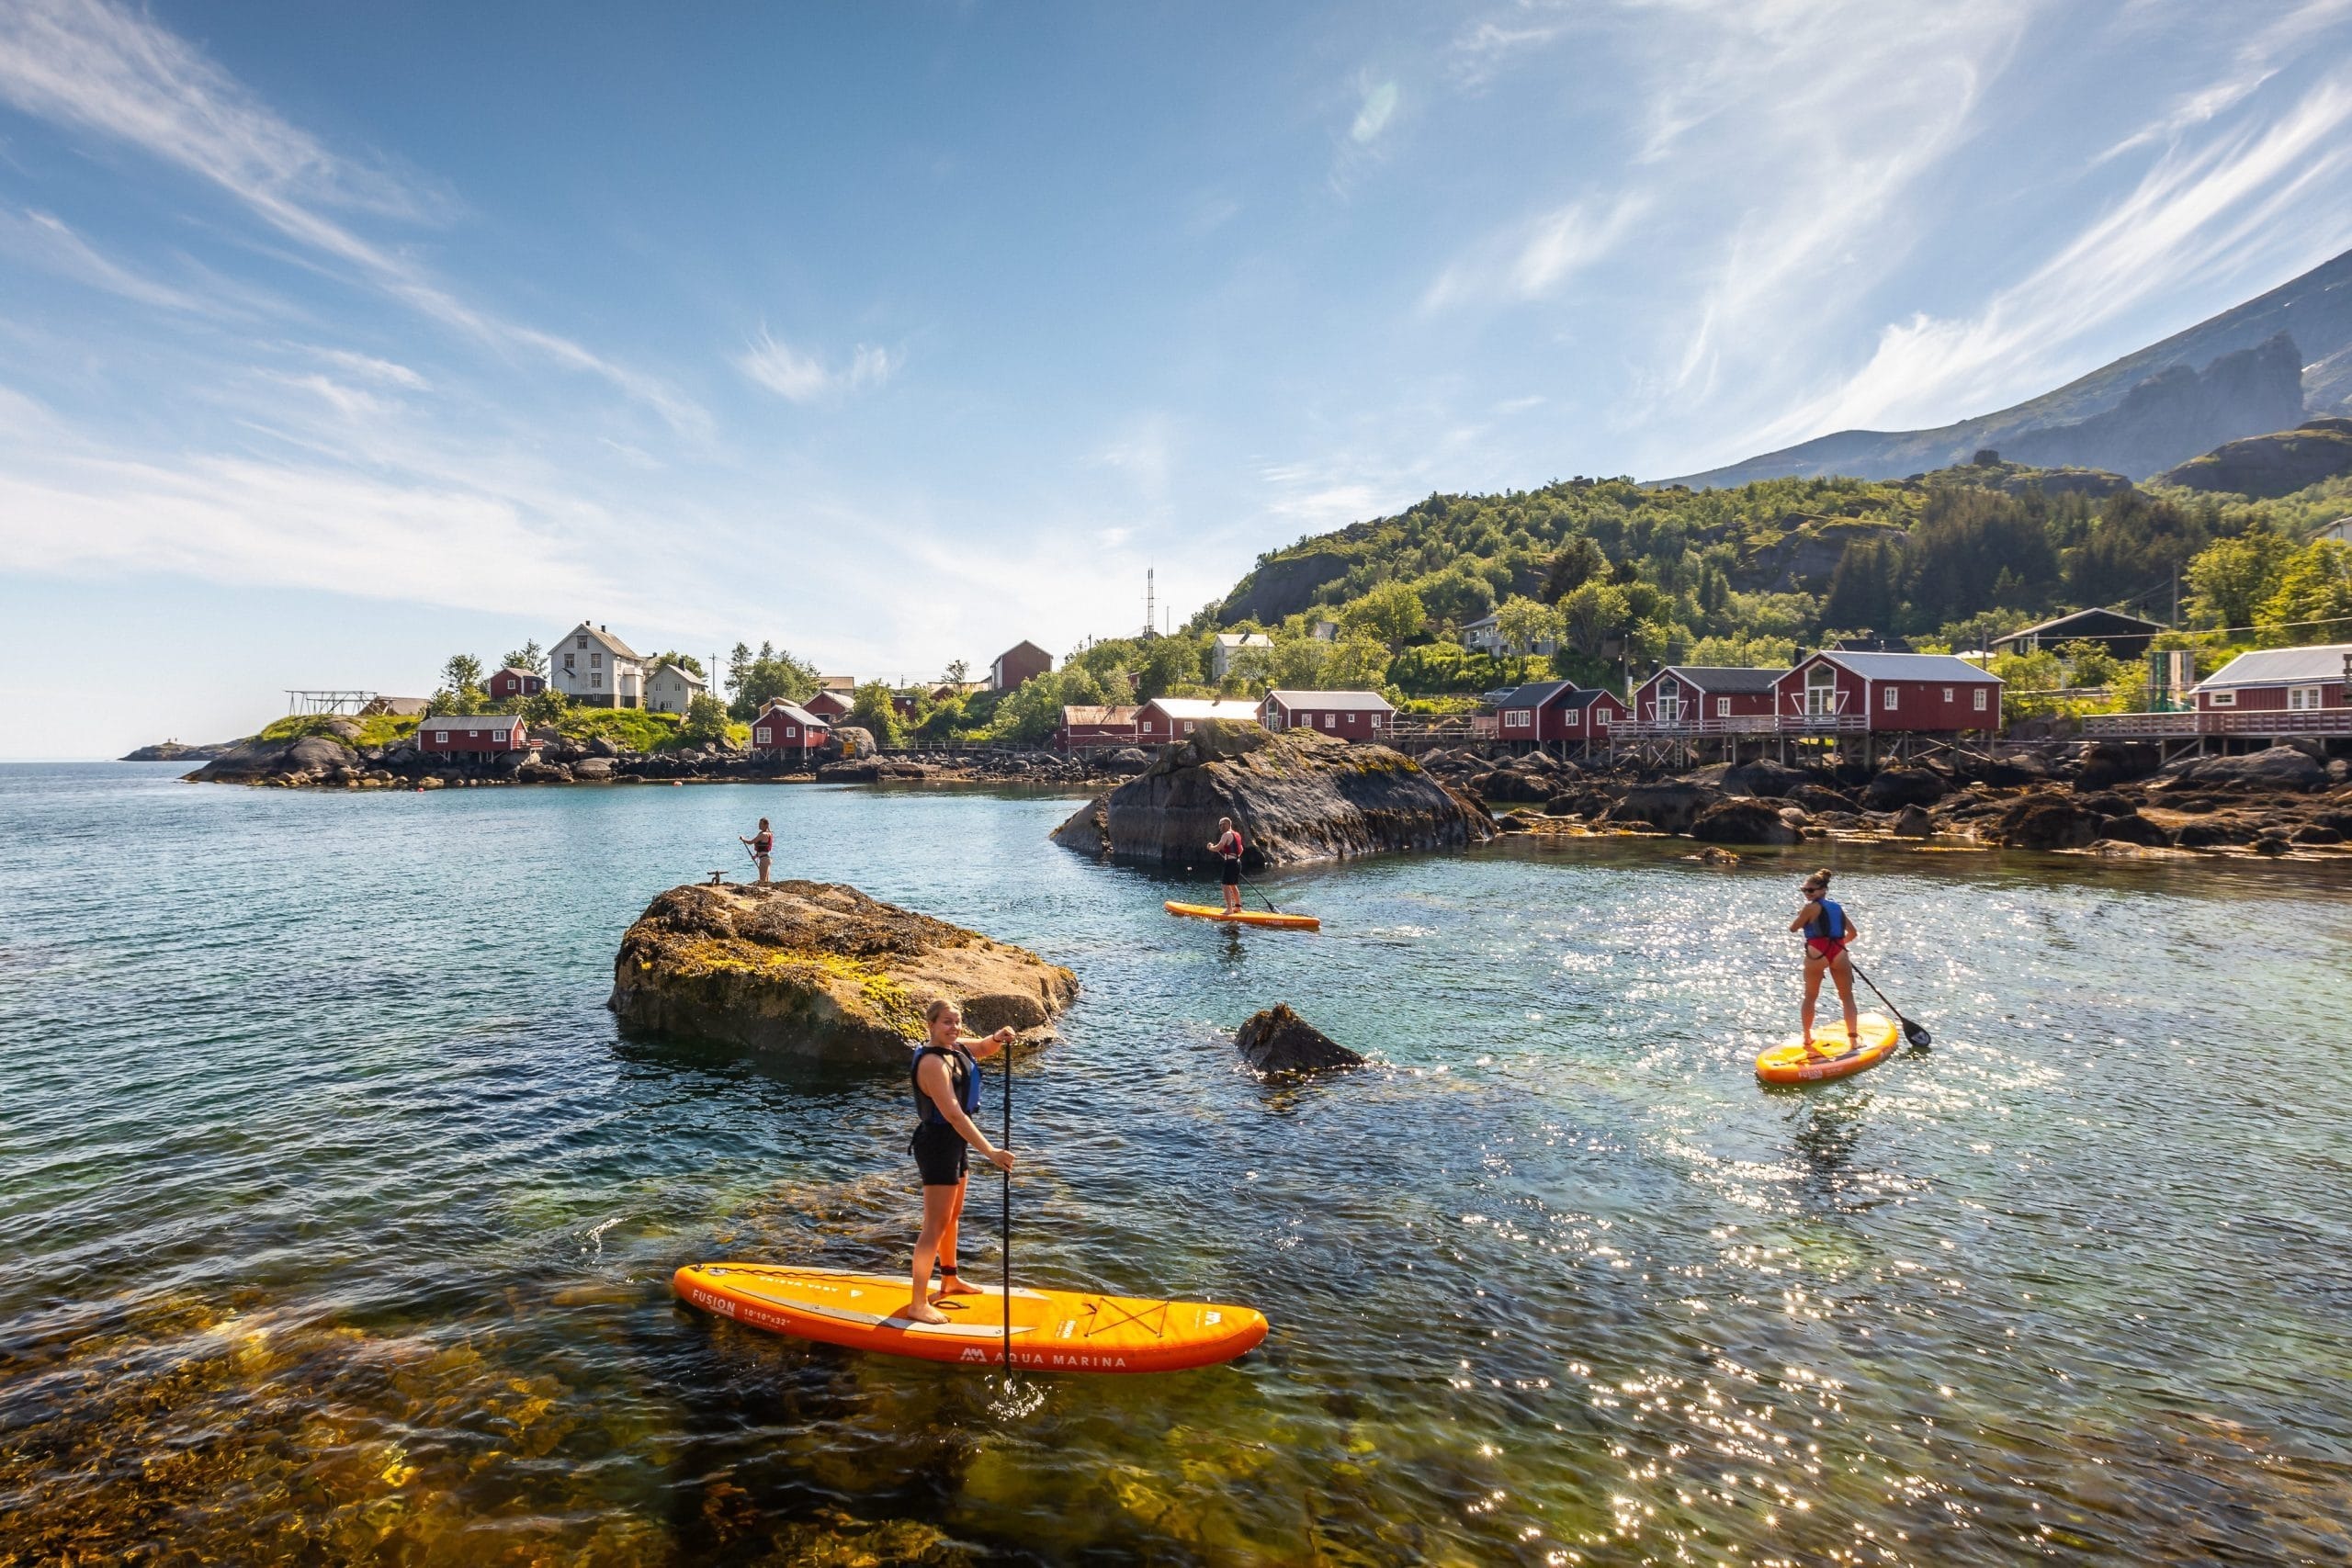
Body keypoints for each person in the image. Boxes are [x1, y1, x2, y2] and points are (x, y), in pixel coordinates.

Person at [899, 998, 1017, 1325]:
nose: (955, 1028)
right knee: (934, 1225)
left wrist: (997, 1038)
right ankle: (918, 1303)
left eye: (957, 1021)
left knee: (953, 1217)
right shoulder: (932, 1064)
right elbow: (952, 1114)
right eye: (947, 1022)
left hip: (955, 1143)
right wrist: (991, 1152)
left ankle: (949, 1279)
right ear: (931, 1025)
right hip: (937, 1143)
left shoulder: (959, 1048)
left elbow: (981, 1047)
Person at [1787, 867, 1860, 1055]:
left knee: (1810, 996)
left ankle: (1807, 1037)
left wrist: (1800, 916)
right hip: (1839, 951)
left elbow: (1794, 928)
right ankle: (1853, 1042)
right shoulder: (1837, 907)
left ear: (1823, 890)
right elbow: (1853, 933)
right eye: (1804, 890)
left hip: (1816, 953)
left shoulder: (1810, 907)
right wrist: (1837, 945)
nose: (1807, 894)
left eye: (1810, 890)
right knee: (1847, 997)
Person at [1208, 816, 1245, 915]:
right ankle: (1237, 907)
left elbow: (1218, 848)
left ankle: (1229, 909)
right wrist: (1235, 858)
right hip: (1237, 862)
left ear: (1229, 824)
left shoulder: (1226, 834)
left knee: (1225, 885)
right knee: (1233, 885)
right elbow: (1241, 849)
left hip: (1231, 863)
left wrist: (1210, 847)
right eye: (1220, 825)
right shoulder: (1237, 834)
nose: (1221, 827)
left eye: (1223, 824)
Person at [739, 818, 774, 885]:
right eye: (759, 823)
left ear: (766, 825)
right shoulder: (769, 834)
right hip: (766, 858)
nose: (759, 825)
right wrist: (756, 856)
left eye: (761, 824)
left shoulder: (763, 834)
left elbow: (751, 842)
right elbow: (763, 848)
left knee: (762, 881)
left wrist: (743, 839)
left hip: (764, 860)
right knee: (766, 881)